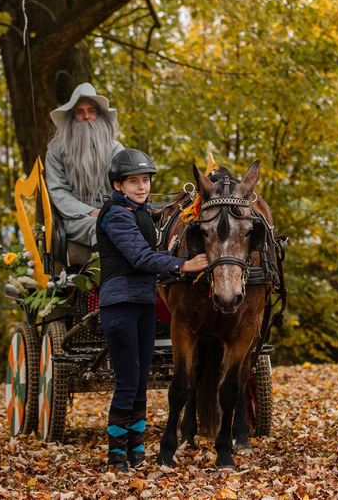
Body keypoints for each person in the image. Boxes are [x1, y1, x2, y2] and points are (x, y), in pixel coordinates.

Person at [96, 149, 208, 472]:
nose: (142, 187)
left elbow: (165, 221)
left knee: (141, 382)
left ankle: (136, 450)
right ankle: (117, 454)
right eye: (134, 181)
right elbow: (141, 258)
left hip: (143, 304)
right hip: (119, 305)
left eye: (145, 180)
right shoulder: (116, 215)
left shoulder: (141, 211)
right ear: (118, 185)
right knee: (128, 383)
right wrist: (183, 265)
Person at [45, 83, 125, 249]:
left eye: (91, 111)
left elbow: (128, 185)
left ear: (99, 115)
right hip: (76, 218)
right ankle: (103, 274)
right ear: (72, 118)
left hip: (114, 213)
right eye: (79, 112)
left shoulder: (116, 149)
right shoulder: (57, 150)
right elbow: (58, 190)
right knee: (100, 227)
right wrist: (91, 212)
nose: (86, 116)